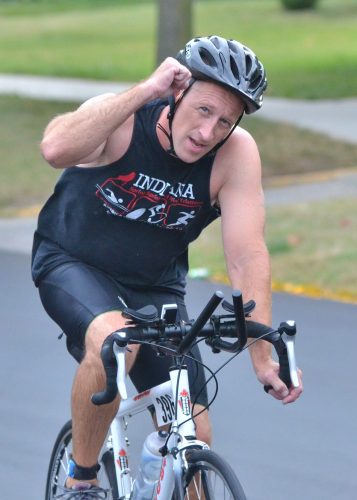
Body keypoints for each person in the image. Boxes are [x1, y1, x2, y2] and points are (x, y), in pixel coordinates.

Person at [32, 35, 303, 497]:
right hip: (72, 262)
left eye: (225, 121)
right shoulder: (122, 120)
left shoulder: (235, 154)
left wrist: (262, 351)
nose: (207, 133)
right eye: (202, 110)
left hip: (156, 287)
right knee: (118, 343)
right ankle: (82, 480)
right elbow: (56, 148)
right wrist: (145, 90)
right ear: (176, 92)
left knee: (193, 433)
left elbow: (246, 253)